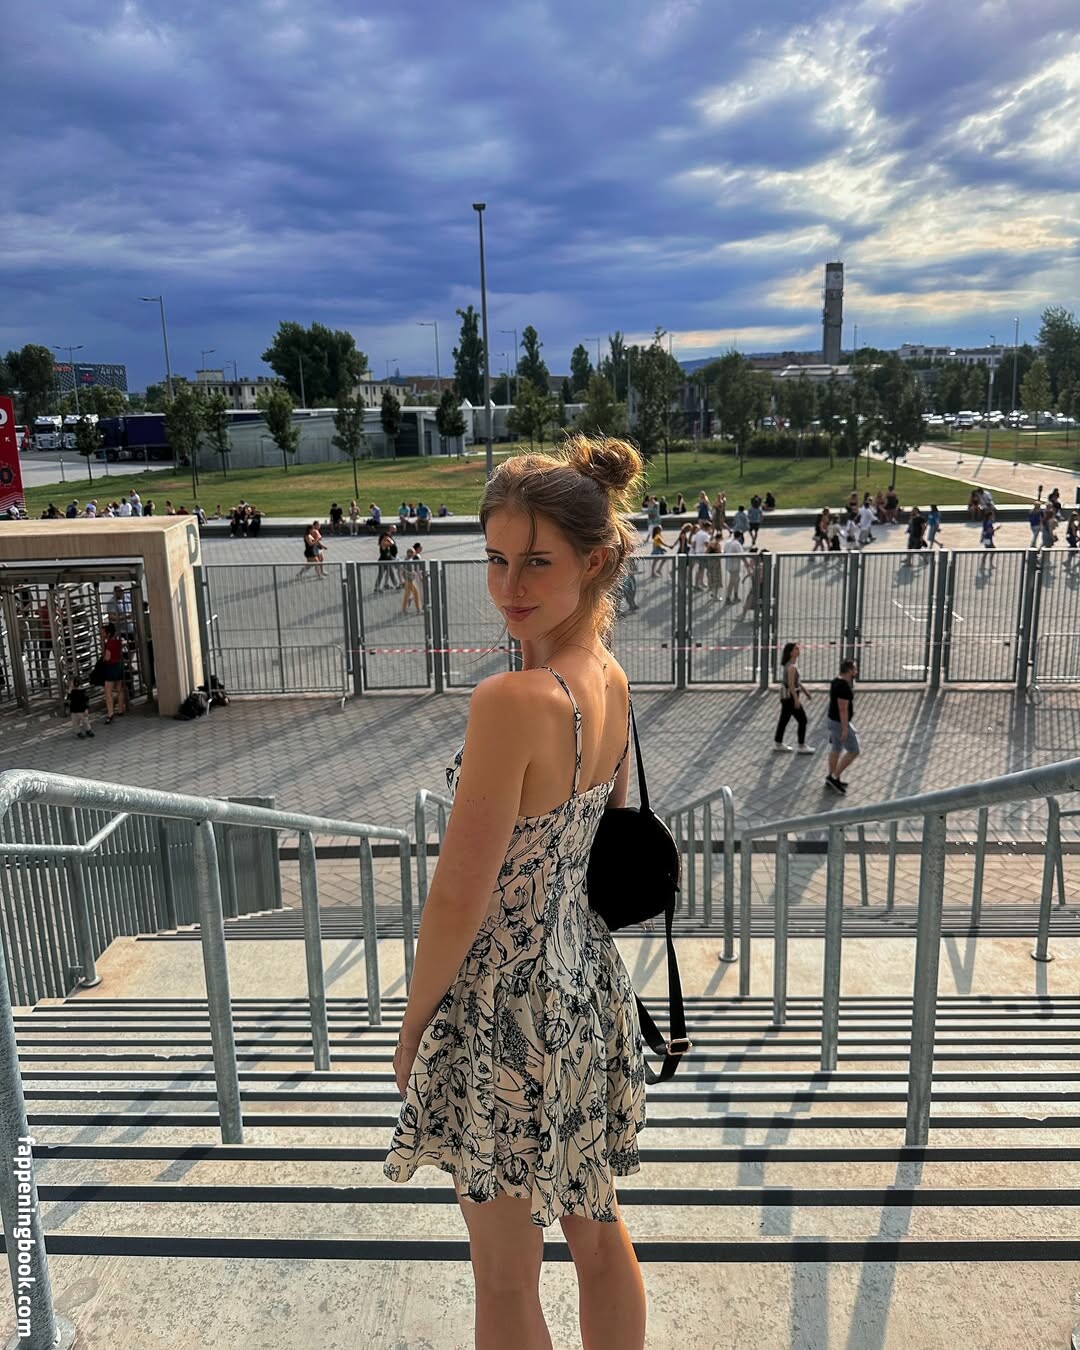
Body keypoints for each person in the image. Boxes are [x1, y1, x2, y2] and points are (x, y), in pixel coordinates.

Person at [384, 433, 648, 1350]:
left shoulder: (512, 700)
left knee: (503, 1273)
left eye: (536, 561)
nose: (509, 586)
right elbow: (594, 838)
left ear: (595, 560)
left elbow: (459, 896)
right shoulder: (610, 679)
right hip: (584, 988)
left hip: (501, 1003)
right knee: (597, 1232)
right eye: (496, 559)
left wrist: (415, 1023)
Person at [826, 658, 859, 793]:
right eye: (855, 669)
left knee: (836, 748)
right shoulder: (844, 687)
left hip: (832, 720)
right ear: (849, 670)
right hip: (840, 723)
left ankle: (831, 776)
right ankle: (834, 777)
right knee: (854, 750)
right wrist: (845, 729)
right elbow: (843, 709)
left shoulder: (835, 681)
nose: (856, 671)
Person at [774, 641, 813, 753]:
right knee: (802, 720)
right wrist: (796, 700)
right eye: (796, 649)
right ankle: (801, 745)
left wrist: (805, 691)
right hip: (790, 696)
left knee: (784, 719)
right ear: (791, 652)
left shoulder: (790, 665)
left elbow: (797, 682)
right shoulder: (791, 667)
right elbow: (791, 684)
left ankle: (778, 742)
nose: (798, 650)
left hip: (786, 696)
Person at [100, 623, 127, 724]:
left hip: (111, 668)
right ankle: (120, 709)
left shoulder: (109, 644)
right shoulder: (118, 641)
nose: (101, 635)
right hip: (119, 666)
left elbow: (108, 658)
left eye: (103, 633)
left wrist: (103, 660)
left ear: (108, 633)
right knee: (120, 689)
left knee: (108, 692)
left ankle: (110, 714)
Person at [722, 529, 744, 602]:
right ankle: (729, 596)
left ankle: (735, 594)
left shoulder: (728, 542)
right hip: (735, 564)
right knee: (733, 581)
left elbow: (724, 552)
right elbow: (742, 555)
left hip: (729, 563)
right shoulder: (737, 544)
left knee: (737, 579)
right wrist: (747, 565)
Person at [401, 546, 423, 614]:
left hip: (409, 579)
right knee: (416, 593)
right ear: (409, 553)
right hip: (409, 580)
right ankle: (418, 609)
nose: (414, 554)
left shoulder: (409, 559)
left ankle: (404, 609)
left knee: (407, 595)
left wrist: (413, 573)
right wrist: (412, 573)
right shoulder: (407, 561)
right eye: (413, 552)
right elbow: (404, 570)